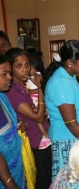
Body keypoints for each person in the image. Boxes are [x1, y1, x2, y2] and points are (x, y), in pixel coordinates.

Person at [41, 40, 79, 179]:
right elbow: (71, 123)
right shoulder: (61, 83)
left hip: (76, 137)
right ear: (70, 62)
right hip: (67, 140)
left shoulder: (70, 77)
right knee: (69, 181)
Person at [5, 48, 52, 189]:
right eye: (19, 66)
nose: (25, 69)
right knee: (42, 183)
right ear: (11, 68)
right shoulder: (12, 91)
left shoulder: (23, 86)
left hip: (42, 139)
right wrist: (40, 88)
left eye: (27, 64)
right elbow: (37, 117)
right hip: (35, 143)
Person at [0, 54, 27, 189]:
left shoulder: (2, 97)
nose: (10, 77)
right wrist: (10, 183)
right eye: (4, 74)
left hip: (16, 170)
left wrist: (17, 123)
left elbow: (7, 121)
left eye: (9, 73)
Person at [26, 52, 51, 149]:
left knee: (38, 118)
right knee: (40, 118)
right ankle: (45, 133)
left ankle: (45, 134)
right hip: (36, 98)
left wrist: (31, 90)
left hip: (37, 98)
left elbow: (42, 87)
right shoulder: (29, 77)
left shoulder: (36, 76)